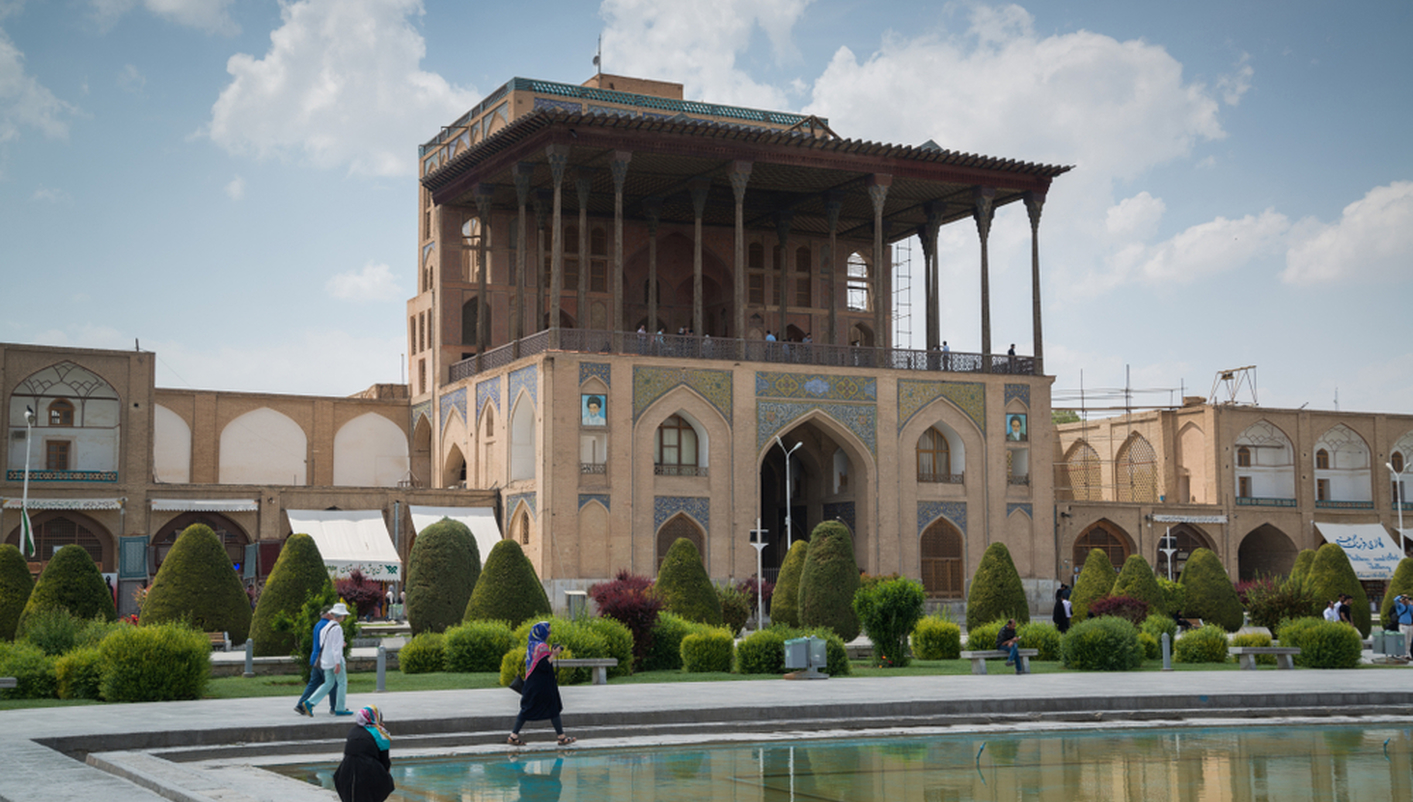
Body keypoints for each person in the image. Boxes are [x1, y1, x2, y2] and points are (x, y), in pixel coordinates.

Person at [507, 621, 576, 746]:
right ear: (542, 632)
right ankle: (561, 738)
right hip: (542, 685)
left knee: (527, 709)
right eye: (547, 632)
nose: (549, 635)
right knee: (552, 707)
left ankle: (513, 736)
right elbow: (544, 665)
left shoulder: (532, 645)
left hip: (532, 684)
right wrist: (554, 654)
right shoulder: (542, 647)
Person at [333, 705, 395, 802]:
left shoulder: (353, 731)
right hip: (368, 771)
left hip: (346, 771)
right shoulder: (379, 733)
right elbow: (385, 761)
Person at [304, 602, 354, 716]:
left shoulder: (326, 627)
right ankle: (340, 707)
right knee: (342, 683)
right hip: (335, 660)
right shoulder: (337, 628)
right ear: (341, 616)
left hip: (326, 659)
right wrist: (337, 663)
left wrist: (340, 644)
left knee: (328, 683)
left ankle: (310, 702)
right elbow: (336, 648)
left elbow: (326, 644)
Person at [296, 607, 338, 716]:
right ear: (329, 614)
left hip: (315, 658)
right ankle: (335, 706)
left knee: (313, 683)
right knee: (332, 683)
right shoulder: (328, 626)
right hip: (323, 659)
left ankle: (301, 705)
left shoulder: (318, 624)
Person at [1394, 594, 1413, 660]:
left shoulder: (1409, 606)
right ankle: (1402, 654)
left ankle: (1408, 654)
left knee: (1409, 641)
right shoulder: (1400, 606)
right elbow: (1395, 600)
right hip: (1403, 625)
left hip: (1410, 625)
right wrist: (1401, 596)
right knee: (1403, 640)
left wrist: (1410, 603)